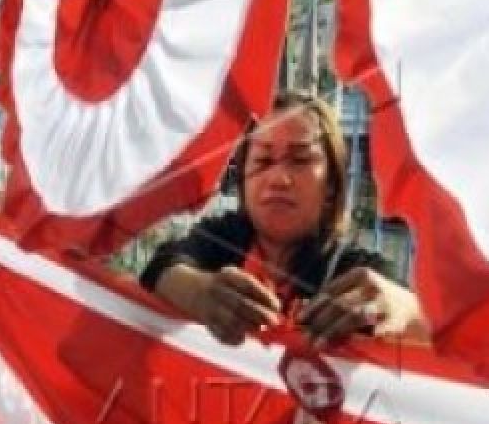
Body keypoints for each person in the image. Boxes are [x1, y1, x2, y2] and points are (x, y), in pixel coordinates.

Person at [141, 90, 430, 348]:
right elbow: (161, 268)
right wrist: (198, 293)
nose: (278, 179)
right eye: (263, 161)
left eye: (301, 159)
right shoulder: (220, 238)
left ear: (331, 185)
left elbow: (440, 332)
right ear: (243, 178)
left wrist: (402, 308)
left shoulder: (353, 270)